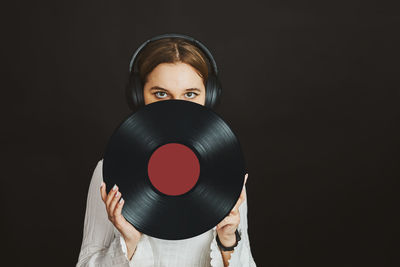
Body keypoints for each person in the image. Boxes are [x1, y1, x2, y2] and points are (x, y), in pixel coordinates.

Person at [76, 34, 257, 267]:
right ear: (138, 96)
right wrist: (128, 243)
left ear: (208, 97)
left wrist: (228, 241)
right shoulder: (108, 170)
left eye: (190, 94)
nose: (176, 106)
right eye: (161, 94)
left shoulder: (226, 173)